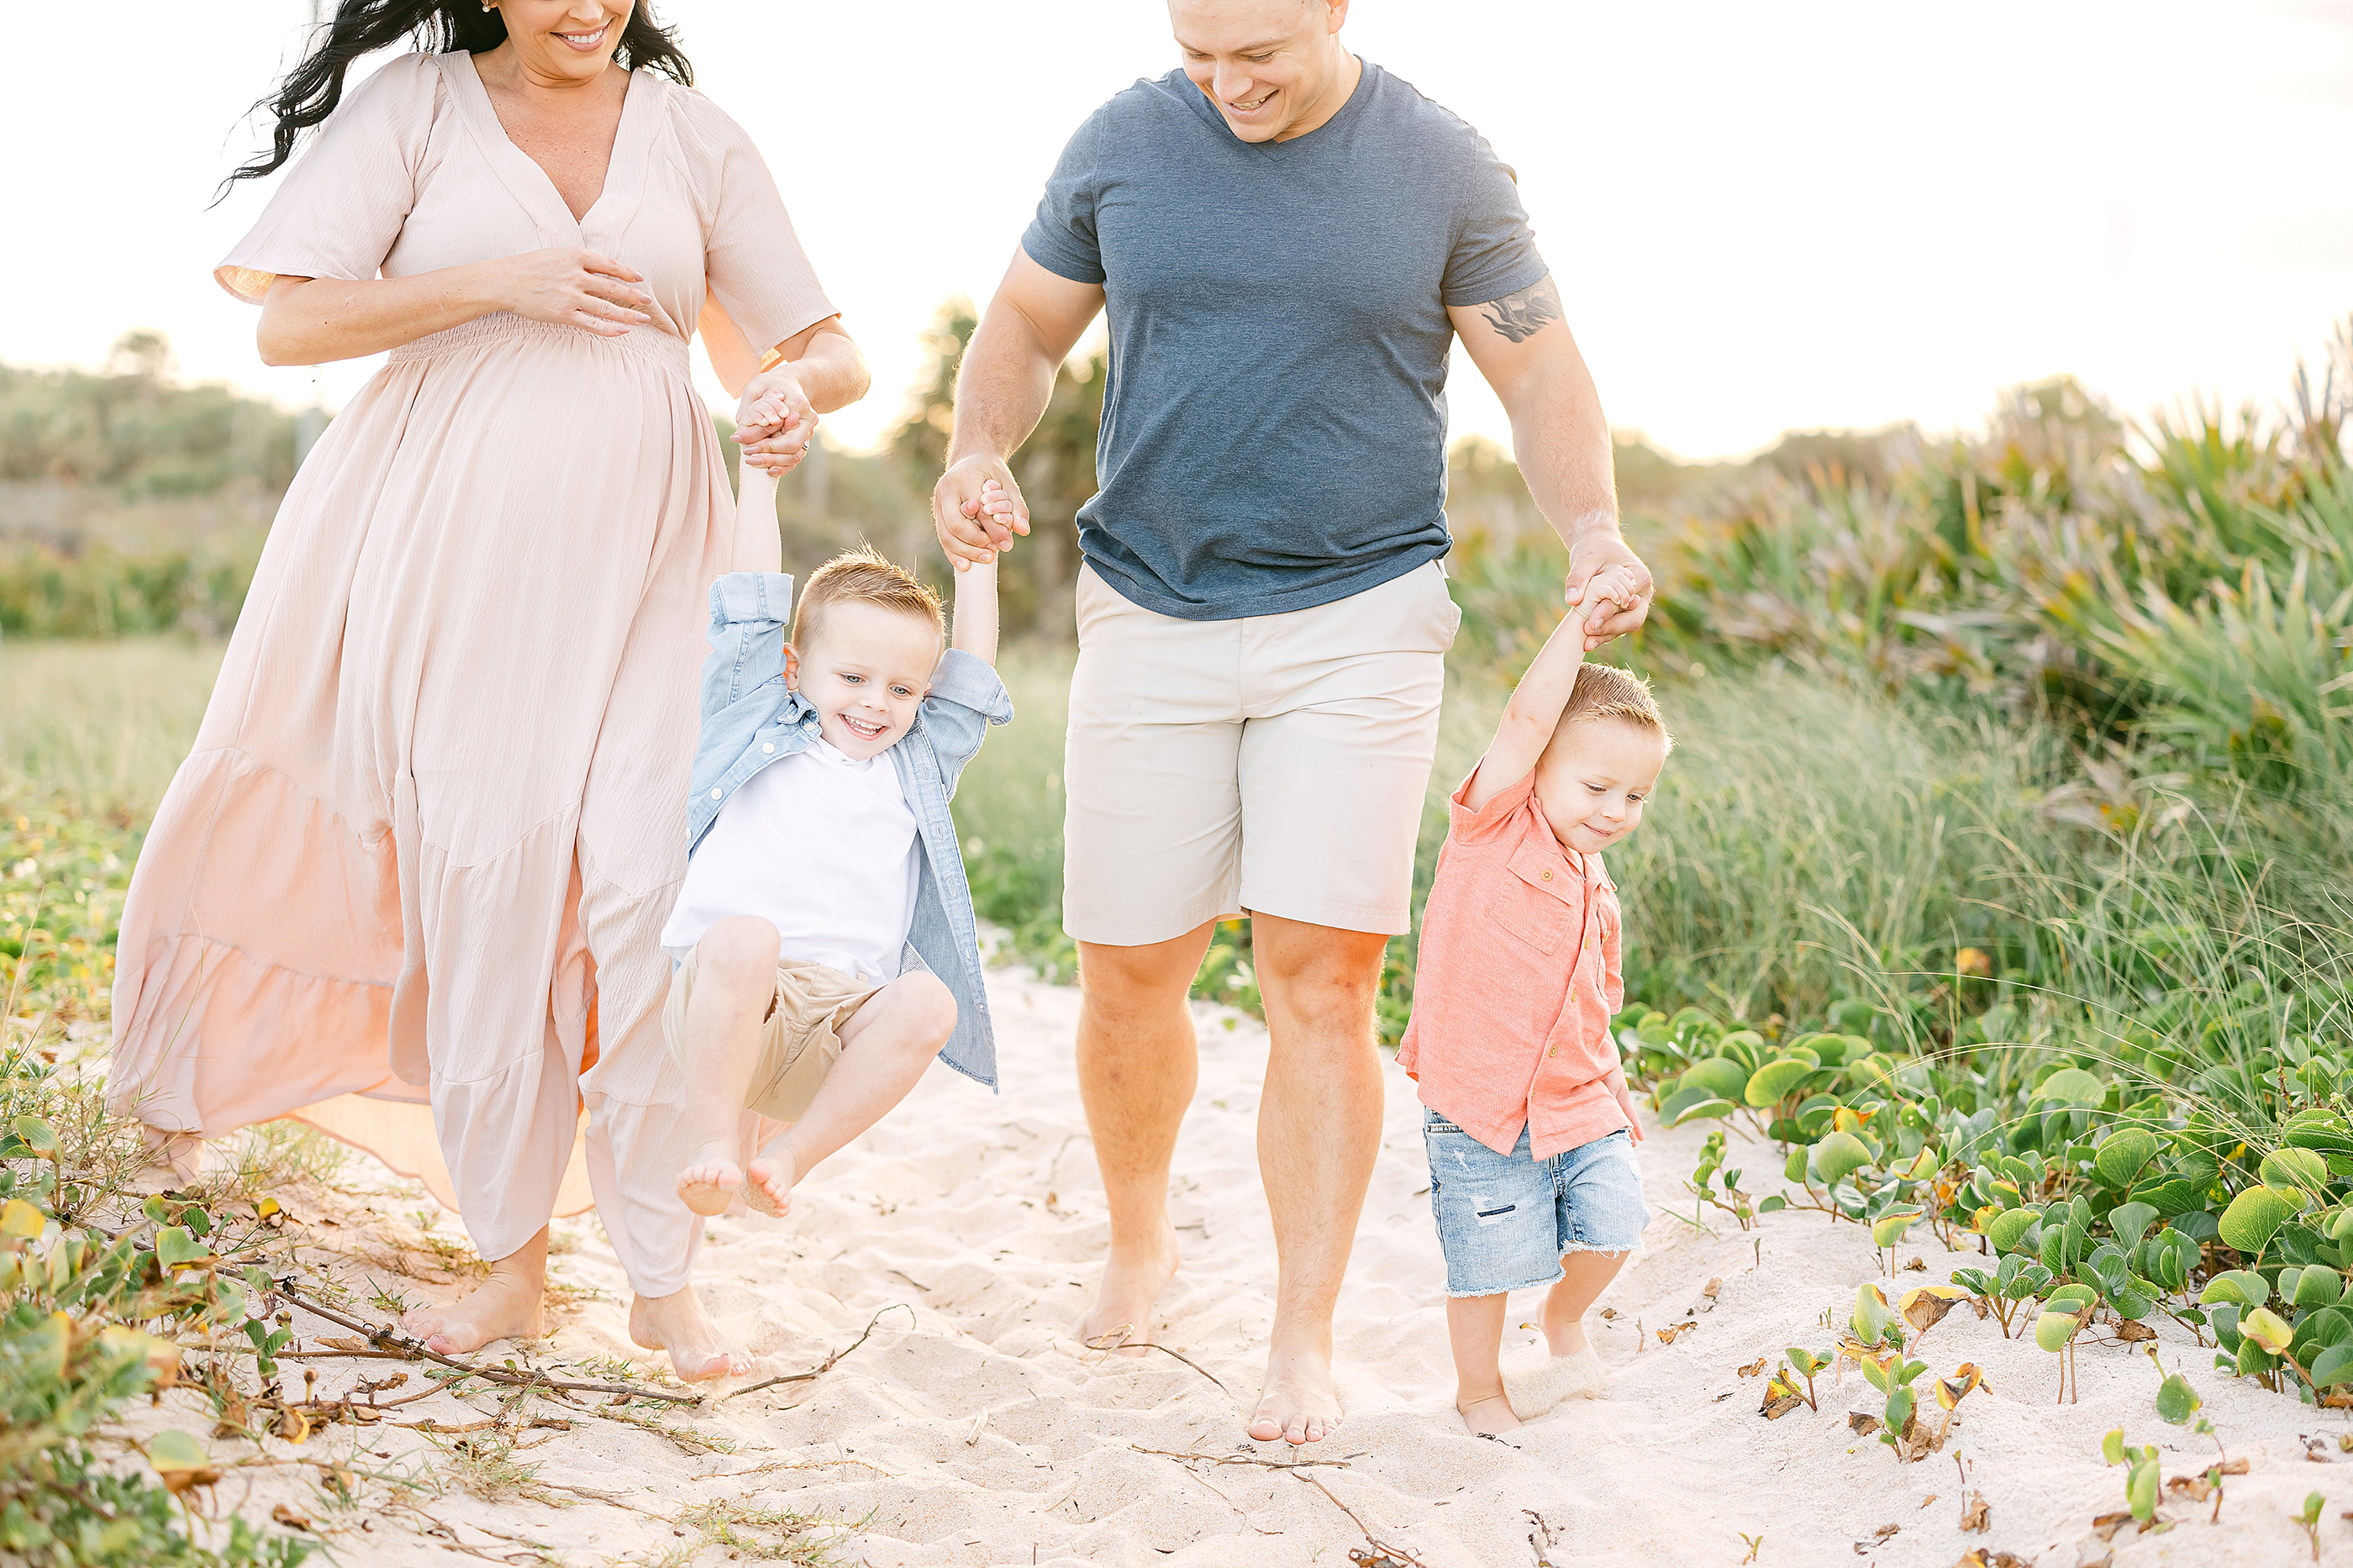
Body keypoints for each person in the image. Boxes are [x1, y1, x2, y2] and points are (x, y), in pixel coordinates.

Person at [931, 0, 1656, 1444]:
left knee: (1319, 979)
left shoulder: (1442, 166)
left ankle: (1300, 1336)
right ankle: (1141, 1238)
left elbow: (1538, 367)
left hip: (1364, 615)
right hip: (1149, 601)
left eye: (1255, 52)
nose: (1225, 84)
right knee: (1131, 968)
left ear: (1333, 11)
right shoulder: (1125, 142)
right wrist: (975, 444)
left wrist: (1595, 527)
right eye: (1200, 52)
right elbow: (1024, 320)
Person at [106, 0, 858, 1379]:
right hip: (451, 540)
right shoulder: (417, 107)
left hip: (656, 547)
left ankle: (660, 1278)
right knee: (490, 876)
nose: (588, 7)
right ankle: (512, 1262)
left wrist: (788, 395)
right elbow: (289, 327)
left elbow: (822, 345)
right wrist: (495, 282)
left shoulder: (695, 136)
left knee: (648, 884)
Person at [658, 470, 1013, 1244]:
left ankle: (790, 1156)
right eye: (852, 678)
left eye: (901, 689)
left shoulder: (914, 770)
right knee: (747, 937)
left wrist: (977, 571)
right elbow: (749, 603)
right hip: (731, 1002)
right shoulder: (754, 722)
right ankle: (715, 1138)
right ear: (794, 671)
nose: (874, 703)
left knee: (930, 1005)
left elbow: (971, 680)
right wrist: (759, 476)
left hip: (837, 1027)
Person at [1396, 572, 1669, 1434]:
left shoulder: (1598, 888)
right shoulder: (1491, 827)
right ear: (1541, 765)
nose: (1616, 810)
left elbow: (1590, 1006)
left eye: (1634, 796)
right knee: (1486, 1260)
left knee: (1619, 1221)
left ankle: (1563, 1320)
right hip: (1477, 1098)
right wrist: (1579, 631)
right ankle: (1478, 1387)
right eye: (1596, 788)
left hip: (1577, 1095)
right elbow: (1523, 718)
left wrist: (1615, 1086)